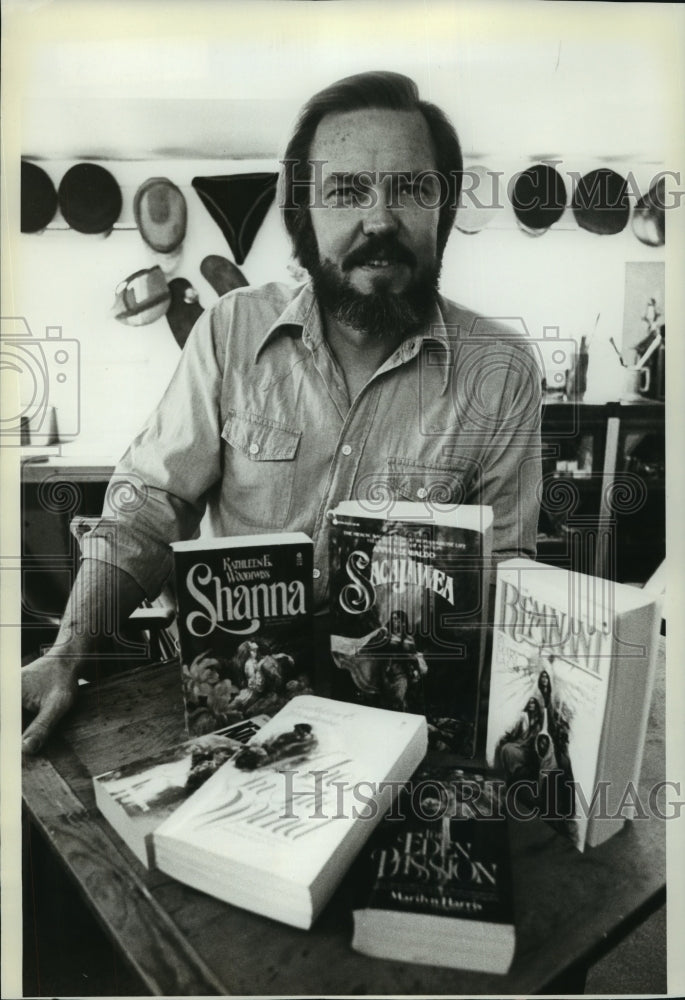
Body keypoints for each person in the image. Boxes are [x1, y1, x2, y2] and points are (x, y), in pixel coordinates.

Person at [22, 70, 542, 753]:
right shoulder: (229, 331)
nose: (380, 219)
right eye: (346, 190)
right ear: (303, 214)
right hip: (229, 715)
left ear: (443, 208)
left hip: (407, 729)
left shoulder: (501, 371)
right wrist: (69, 650)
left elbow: (504, 571)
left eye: (411, 188)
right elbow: (148, 506)